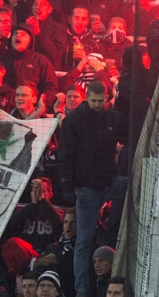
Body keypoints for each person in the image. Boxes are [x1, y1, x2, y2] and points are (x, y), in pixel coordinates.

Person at [56, 82, 126, 297]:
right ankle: (82, 290)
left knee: (136, 186)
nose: (97, 104)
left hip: (110, 181)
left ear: (106, 98)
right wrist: (68, 186)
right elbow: (64, 156)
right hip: (86, 189)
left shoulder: (112, 117)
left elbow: (128, 137)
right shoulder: (73, 121)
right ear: (86, 97)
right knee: (83, 242)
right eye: (93, 100)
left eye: (100, 100)